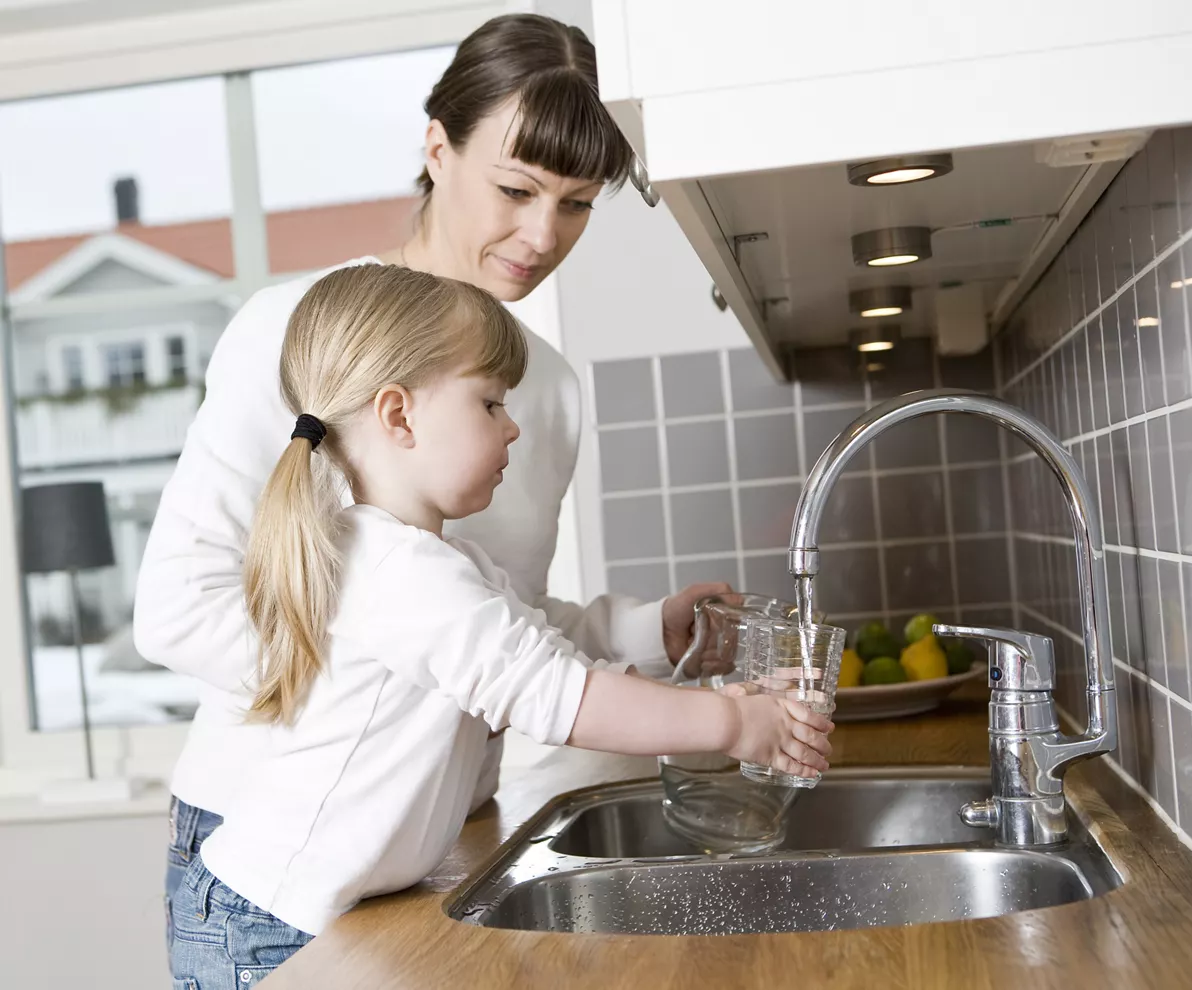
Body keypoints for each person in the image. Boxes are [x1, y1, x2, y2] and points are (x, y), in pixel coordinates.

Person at [135, 11, 733, 957]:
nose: (541, 234)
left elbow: (494, 614)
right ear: (437, 149)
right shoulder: (296, 327)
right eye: (515, 187)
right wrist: (378, 692)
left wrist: (634, 632)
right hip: (276, 846)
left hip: (434, 840)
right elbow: (180, 607)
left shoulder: (547, 386)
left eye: (576, 203)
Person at [165, 265, 832, 983]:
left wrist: (674, 655)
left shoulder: (437, 560)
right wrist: (732, 726)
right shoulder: (402, 573)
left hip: (304, 910)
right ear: (398, 416)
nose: (513, 425)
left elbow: (538, 643)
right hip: (268, 929)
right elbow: (553, 695)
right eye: (489, 403)